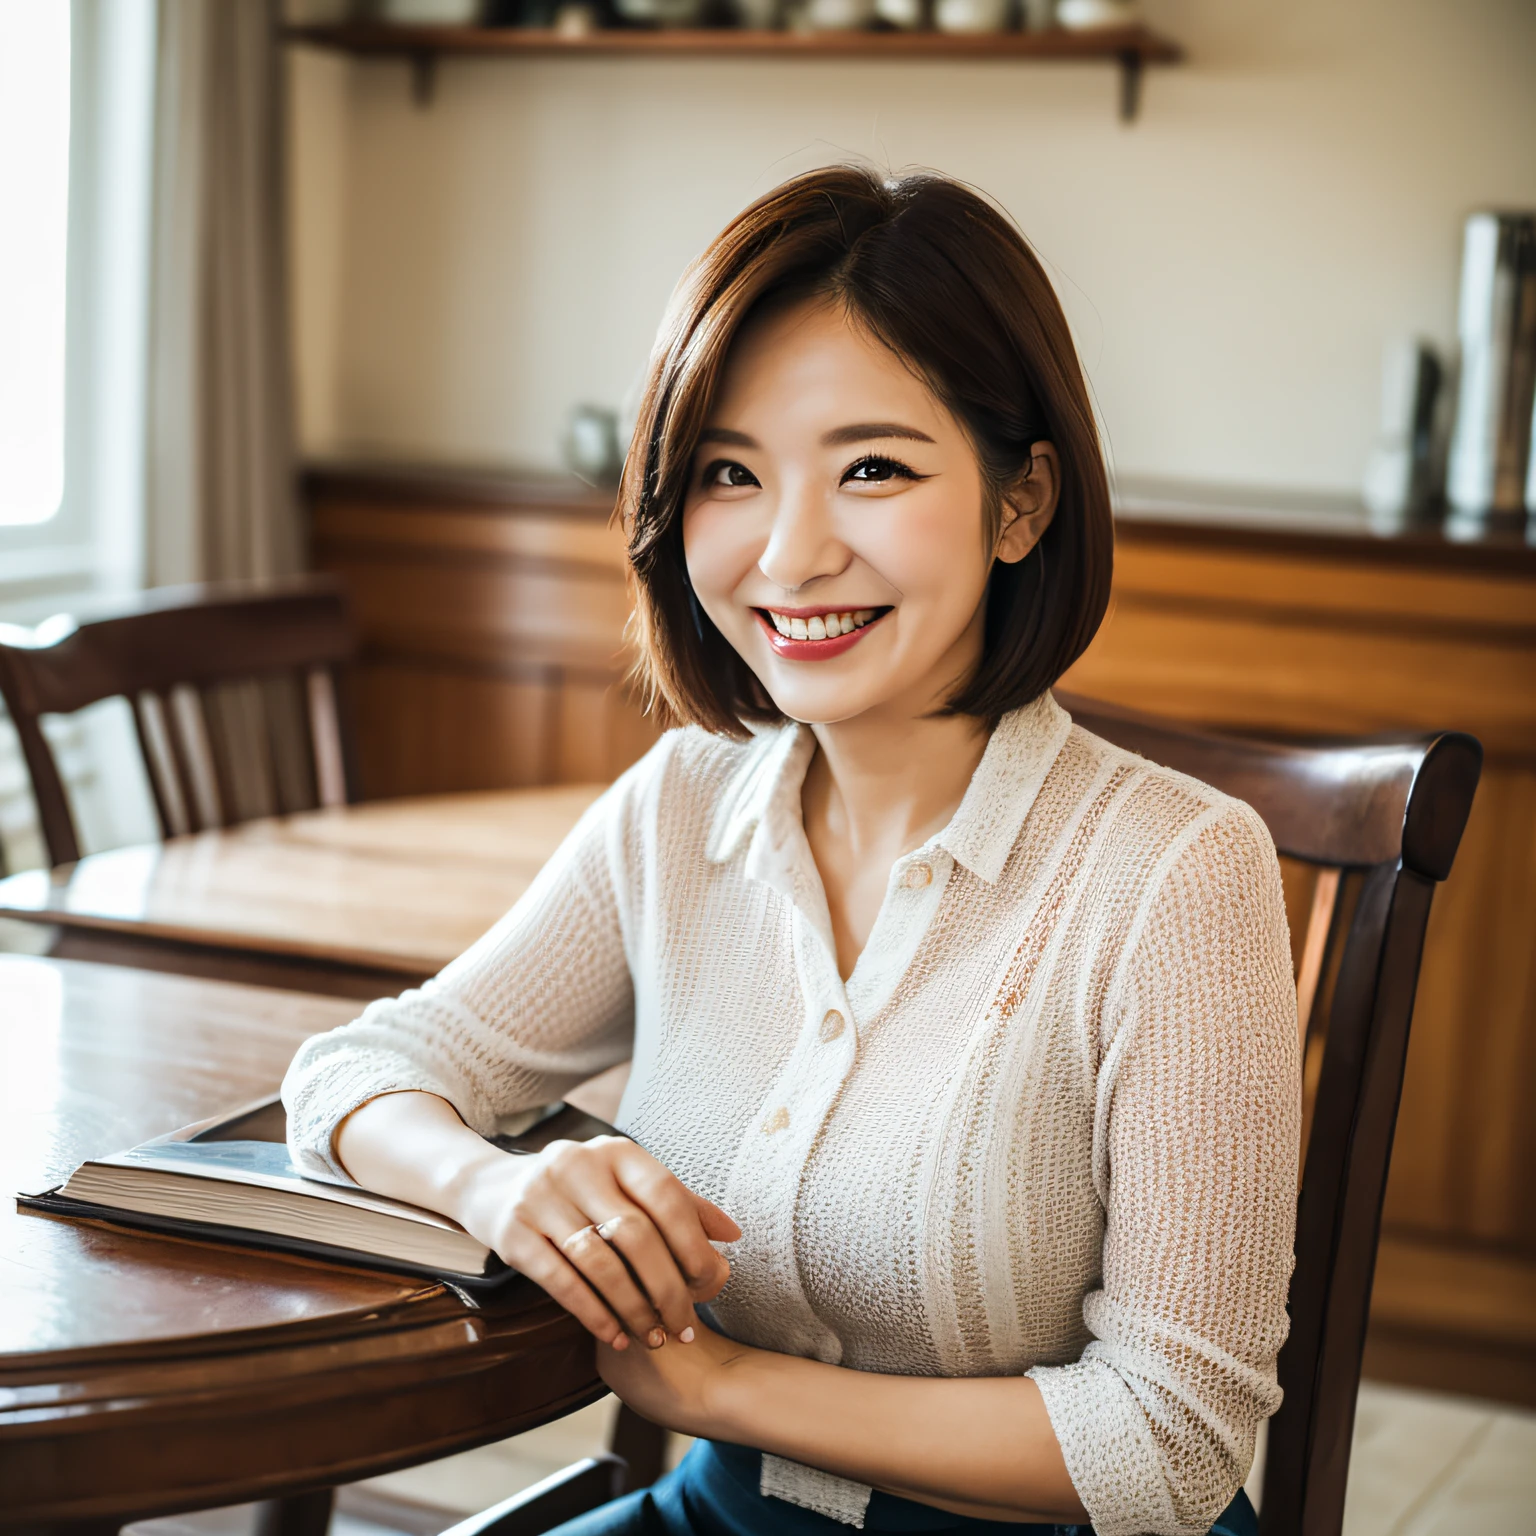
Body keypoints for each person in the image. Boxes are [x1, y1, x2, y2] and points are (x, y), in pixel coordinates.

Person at [282, 165, 1298, 1536]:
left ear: (1023, 502)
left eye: (873, 468)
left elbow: (1171, 1444)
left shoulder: (1178, 871)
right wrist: (502, 1183)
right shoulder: (685, 805)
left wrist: (718, 1388)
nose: (791, 550)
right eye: (730, 475)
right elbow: (356, 1072)